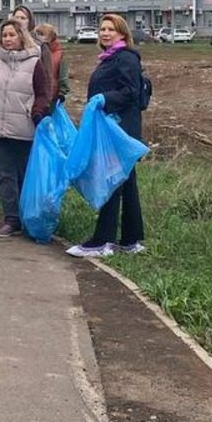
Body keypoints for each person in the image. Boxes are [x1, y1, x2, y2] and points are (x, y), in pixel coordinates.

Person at [67, 13, 146, 258]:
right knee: (126, 182)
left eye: (111, 29)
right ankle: (131, 240)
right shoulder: (110, 57)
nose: (105, 33)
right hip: (115, 128)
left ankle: (102, 241)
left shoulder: (126, 57)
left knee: (112, 180)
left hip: (119, 129)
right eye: (102, 29)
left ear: (122, 33)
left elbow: (131, 91)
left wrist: (104, 99)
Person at [0, 18, 52, 238]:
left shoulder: (34, 63)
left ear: (21, 36)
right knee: (3, 175)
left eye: (12, 35)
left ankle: (29, 216)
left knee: (23, 174)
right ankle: (11, 219)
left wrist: (37, 112)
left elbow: (43, 93)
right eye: (4, 35)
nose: (7, 39)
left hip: (23, 128)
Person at [33, 22, 69, 106]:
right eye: (37, 34)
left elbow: (63, 76)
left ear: (51, 36)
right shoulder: (34, 51)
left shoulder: (59, 54)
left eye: (42, 34)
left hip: (51, 96)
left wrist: (61, 93)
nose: (38, 37)